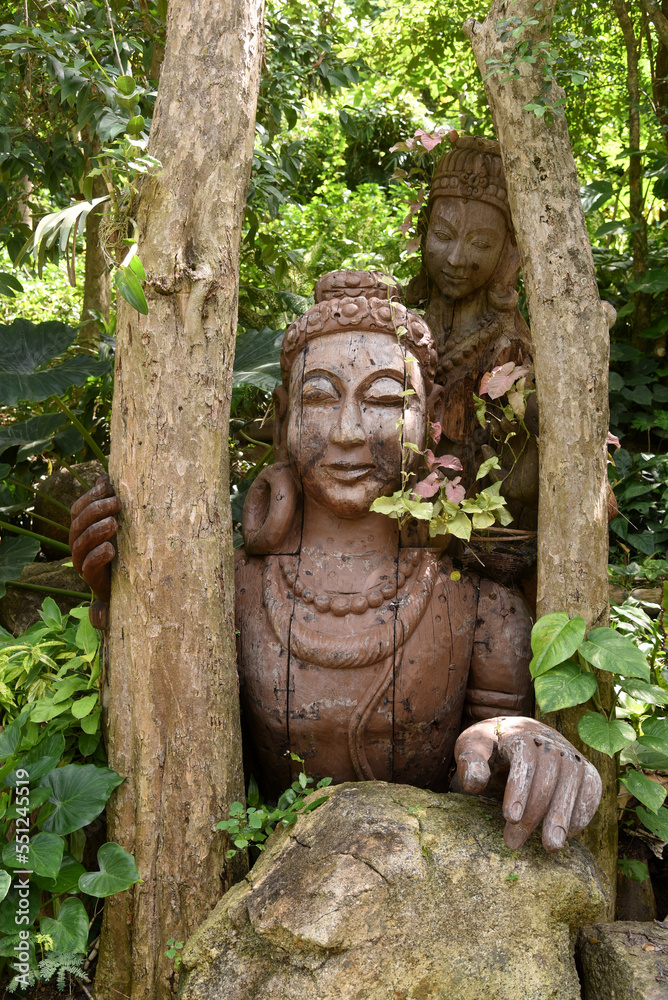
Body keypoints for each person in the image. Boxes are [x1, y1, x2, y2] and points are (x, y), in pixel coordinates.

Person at [70, 269, 601, 855]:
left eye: (382, 400)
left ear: (433, 417)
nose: (347, 432)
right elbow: (165, 714)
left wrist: (513, 743)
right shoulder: (232, 588)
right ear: (283, 413)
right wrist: (116, 596)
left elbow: (480, 777)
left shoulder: (476, 604)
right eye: (320, 397)